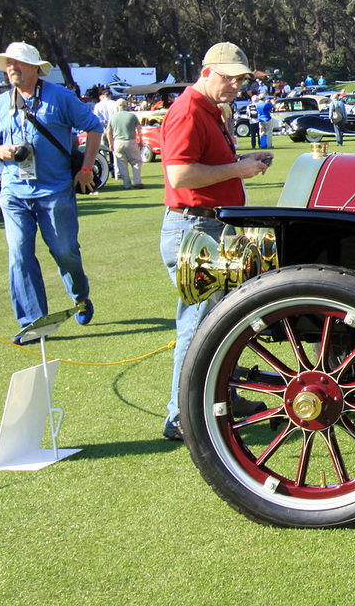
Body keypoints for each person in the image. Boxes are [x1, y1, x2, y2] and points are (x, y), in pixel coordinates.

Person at [158, 41, 274, 441]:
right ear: (206, 72)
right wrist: (239, 169)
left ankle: (219, 394)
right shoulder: (188, 111)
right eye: (229, 79)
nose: (236, 87)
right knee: (196, 325)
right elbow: (181, 176)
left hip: (209, 226)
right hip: (193, 228)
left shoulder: (211, 110)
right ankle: (180, 413)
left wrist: (243, 165)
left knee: (217, 322)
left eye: (241, 80)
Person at [0, 41, 103, 337]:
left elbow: (94, 126)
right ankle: (33, 323)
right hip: (14, 192)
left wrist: (86, 170)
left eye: (17, 63)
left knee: (64, 252)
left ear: (36, 68)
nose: (11, 68)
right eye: (8, 64)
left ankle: (80, 296)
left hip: (55, 191)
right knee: (19, 254)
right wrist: (1, 152)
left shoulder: (60, 97)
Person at [107, 98, 144, 189]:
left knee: (122, 163)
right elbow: (139, 128)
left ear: (117, 107)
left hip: (118, 142)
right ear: (126, 105)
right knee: (136, 161)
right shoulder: (132, 116)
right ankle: (137, 181)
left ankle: (126, 184)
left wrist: (110, 143)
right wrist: (141, 140)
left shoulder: (113, 117)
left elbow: (109, 132)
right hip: (130, 140)